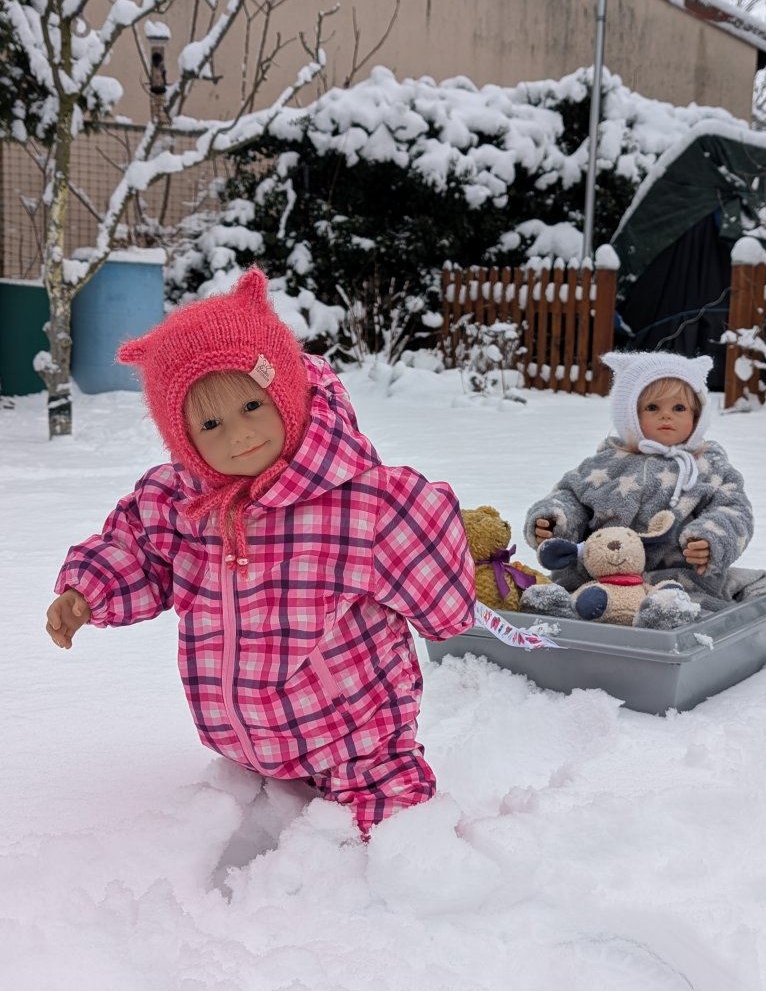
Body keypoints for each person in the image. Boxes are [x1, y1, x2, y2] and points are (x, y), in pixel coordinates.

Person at [46, 267, 476, 835]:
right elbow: (140, 551)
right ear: (183, 436)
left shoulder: (359, 502)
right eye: (210, 423)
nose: (237, 435)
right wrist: (89, 588)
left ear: (285, 392)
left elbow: (435, 572)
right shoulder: (181, 499)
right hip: (244, 731)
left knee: (394, 817)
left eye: (253, 406)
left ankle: (411, 881)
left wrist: (444, 602)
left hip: (352, 729)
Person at [522, 351, 764, 616]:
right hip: (597, 577)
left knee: (688, 610)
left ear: (697, 415)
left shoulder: (710, 469)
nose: (666, 416)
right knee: (566, 597)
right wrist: (555, 521)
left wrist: (711, 540)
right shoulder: (604, 464)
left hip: (676, 581)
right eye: (652, 407)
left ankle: (664, 621)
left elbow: (734, 510)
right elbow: (571, 496)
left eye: (679, 408)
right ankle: (554, 619)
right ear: (630, 414)